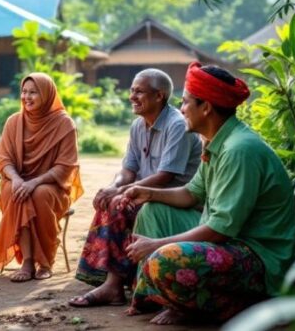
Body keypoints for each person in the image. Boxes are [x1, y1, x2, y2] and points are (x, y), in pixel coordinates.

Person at [120, 63, 295, 325]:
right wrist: (148, 193)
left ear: (206, 108)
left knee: (164, 259)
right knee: (153, 211)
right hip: (229, 240)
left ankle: (242, 303)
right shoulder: (217, 141)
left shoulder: (239, 150)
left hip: (256, 255)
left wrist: (156, 244)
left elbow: (220, 230)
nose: (180, 110)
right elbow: (191, 194)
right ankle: (174, 299)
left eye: (186, 102)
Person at [69, 69, 201, 307]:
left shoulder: (177, 125)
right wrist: (114, 185)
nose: (132, 97)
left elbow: (165, 176)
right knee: (108, 199)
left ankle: (113, 285)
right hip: (144, 192)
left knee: (121, 204)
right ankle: (108, 279)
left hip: (174, 198)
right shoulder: (137, 126)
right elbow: (128, 169)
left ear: (159, 95)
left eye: (139, 91)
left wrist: (124, 191)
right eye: (132, 90)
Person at [0, 72, 84, 282]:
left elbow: (66, 166)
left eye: (33, 92)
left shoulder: (64, 124)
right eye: (24, 92)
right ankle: (28, 261)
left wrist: (34, 182)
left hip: (52, 186)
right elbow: (4, 158)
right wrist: (16, 179)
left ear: (47, 95)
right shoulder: (14, 122)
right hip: (19, 181)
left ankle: (45, 262)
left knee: (39, 194)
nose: (27, 97)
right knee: (14, 191)